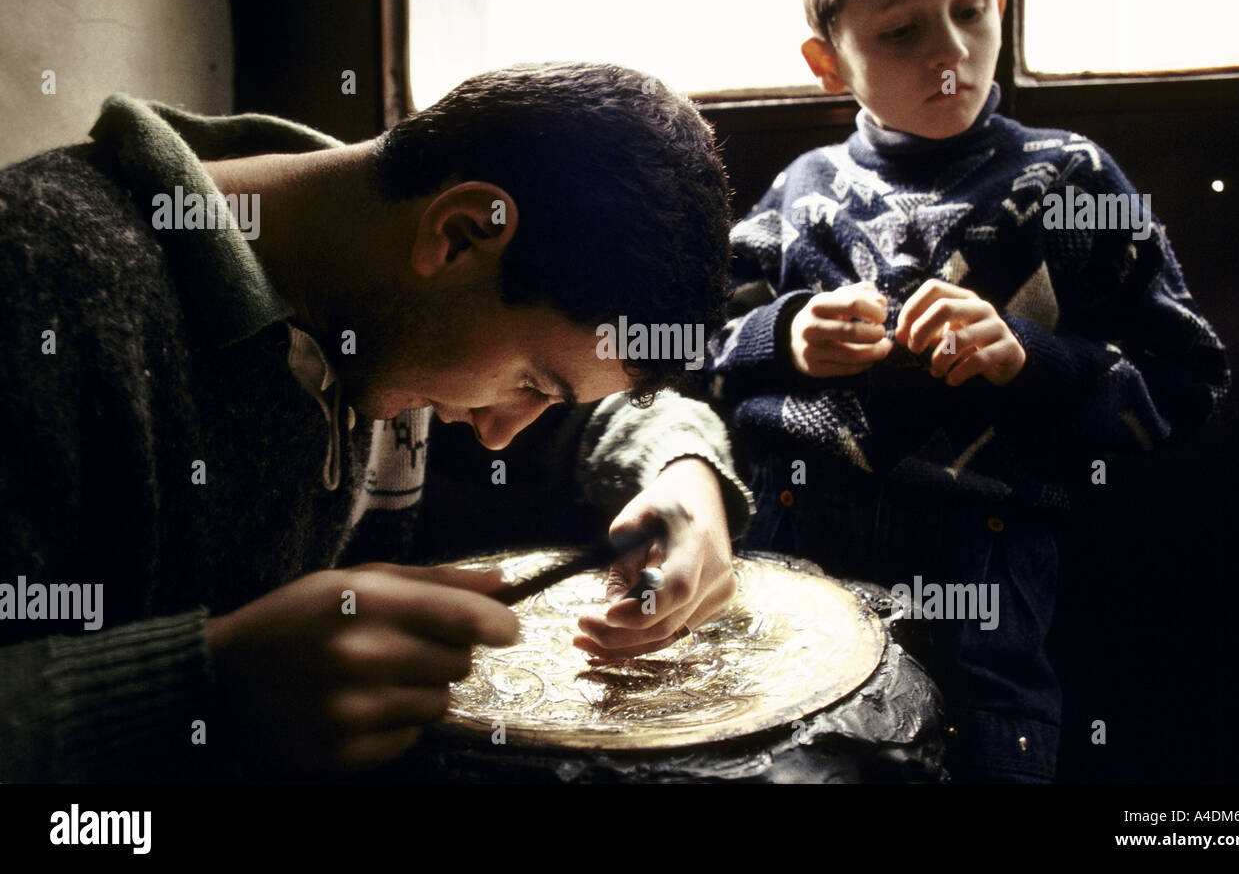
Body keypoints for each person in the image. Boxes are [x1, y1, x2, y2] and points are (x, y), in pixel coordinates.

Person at [0, 62, 752, 781]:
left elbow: (602, 418)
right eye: (530, 383)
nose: (498, 433)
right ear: (457, 234)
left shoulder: (379, 297)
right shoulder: (37, 287)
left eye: (547, 399)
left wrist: (686, 480)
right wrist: (200, 689)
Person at [708, 0, 1230, 782]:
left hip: (979, 563)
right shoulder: (800, 191)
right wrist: (784, 334)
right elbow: (689, 355)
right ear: (828, 63)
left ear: (1000, 0)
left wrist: (1033, 357)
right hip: (791, 553)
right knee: (780, 757)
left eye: (971, 9)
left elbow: (1187, 383)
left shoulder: (1069, 181)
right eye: (902, 29)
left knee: (981, 758)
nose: (946, 50)